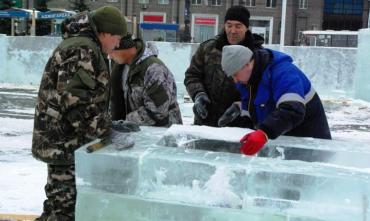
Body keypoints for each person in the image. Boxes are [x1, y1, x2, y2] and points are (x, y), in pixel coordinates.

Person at [32, 6, 127, 221]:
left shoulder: (85, 46)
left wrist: (108, 123)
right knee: (65, 212)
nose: (118, 44)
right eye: (117, 37)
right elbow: (76, 104)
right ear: (104, 33)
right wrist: (107, 130)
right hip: (64, 144)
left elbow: (85, 99)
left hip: (65, 143)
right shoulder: (82, 50)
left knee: (58, 207)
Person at [219, 45, 331, 156]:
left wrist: (264, 132)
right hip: (282, 145)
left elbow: (292, 110)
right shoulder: (248, 80)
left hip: (311, 147)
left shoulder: (283, 72)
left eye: (235, 74)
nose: (235, 80)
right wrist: (239, 108)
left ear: (247, 64)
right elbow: (254, 104)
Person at [184, 5, 255, 127]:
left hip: (238, 128)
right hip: (204, 124)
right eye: (229, 25)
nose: (232, 31)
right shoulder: (207, 49)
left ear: (246, 28)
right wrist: (198, 94)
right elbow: (192, 76)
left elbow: (262, 91)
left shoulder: (256, 55)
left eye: (238, 26)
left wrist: (241, 106)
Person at [109, 34, 182, 126]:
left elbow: (158, 110)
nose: (109, 56)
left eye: (112, 51)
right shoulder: (121, 68)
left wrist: (124, 122)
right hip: (137, 133)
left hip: (162, 133)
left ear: (126, 49)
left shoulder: (154, 68)